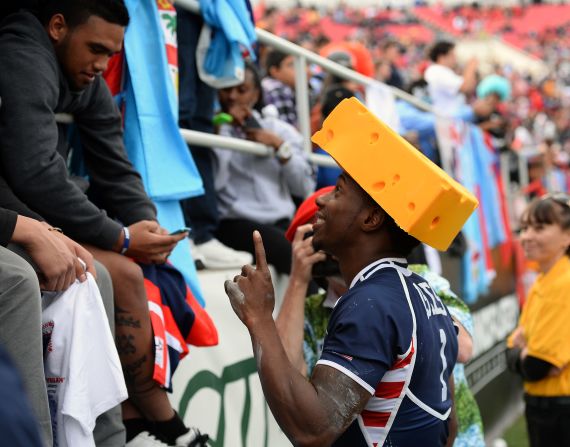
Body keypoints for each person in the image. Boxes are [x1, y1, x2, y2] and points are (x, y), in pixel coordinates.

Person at [0, 2, 204, 445]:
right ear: (57, 27)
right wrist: (120, 235)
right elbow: (34, 171)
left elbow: (114, 161)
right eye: (95, 49)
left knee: (121, 272)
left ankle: (129, 424)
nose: (102, 64)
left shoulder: (81, 72)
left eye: (112, 54)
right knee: (91, 273)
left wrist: (142, 223)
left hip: (31, 216)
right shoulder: (23, 52)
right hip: (17, 217)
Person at [223, 98, 478, 446]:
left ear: (371, 219)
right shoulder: (423, 292)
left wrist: (259, 317)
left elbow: (313, 430)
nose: (321, 201)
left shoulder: (372, 302)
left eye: (339, 191)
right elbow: (447, 430)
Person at [277, 189, 486, 447]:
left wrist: (397, 317)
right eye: (312, 232)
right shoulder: (310, 310)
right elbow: (284, 375)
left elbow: (462, 348)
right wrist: (298, 279)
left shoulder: (417, 278)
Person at [213, 60, 315, 275]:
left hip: (282, 222)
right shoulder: (212, 131)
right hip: (235, 223)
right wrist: (222, 131)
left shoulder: (280, 131)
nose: (232, 97)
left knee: (323, 247)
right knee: (288, 251)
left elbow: (305, 187)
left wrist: (280, 148)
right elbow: (216, 183)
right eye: (226, 89)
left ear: (256, 94)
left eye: (242, 90)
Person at [176, 5, 252, 270]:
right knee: (182, 118)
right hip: (180, 13)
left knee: (199, 124)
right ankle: (182, 228)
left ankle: (201, 232)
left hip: (206, 14)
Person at [506, 193, 570, 447]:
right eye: (524, 228)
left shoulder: (562, 284)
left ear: (567, 236)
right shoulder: (545, 278)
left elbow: (536, 366)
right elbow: (513, 347)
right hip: (546, 408)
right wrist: (520, 352)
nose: (527, 236)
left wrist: (523, 352)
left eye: (539, 227)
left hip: (558, 411)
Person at [424, 41, 479, 116]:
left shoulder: (443, 71)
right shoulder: (437, 71)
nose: (455, 58)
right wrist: (470, 67)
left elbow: (470, 87)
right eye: (452, 55)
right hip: (446, 118)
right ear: (442, 57)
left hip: (451, 116)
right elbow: (465, 88)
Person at [261, 49, 299, 127]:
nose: (297, 69)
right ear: (275, 71)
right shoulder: (279, 90)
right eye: (291, 65)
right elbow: (289, 128)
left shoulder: (266, 84)